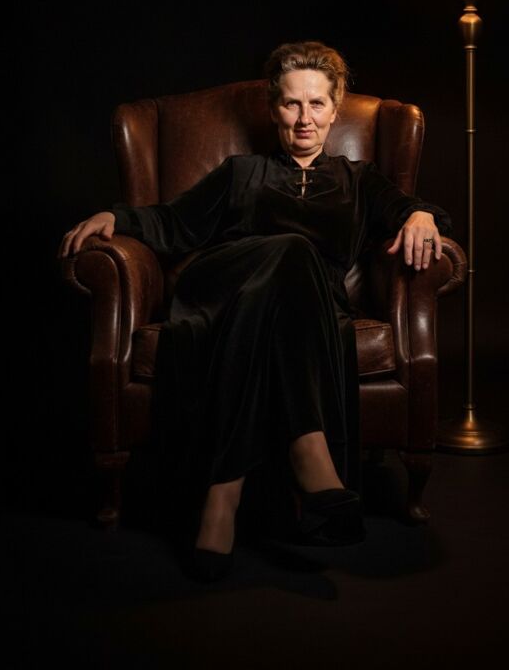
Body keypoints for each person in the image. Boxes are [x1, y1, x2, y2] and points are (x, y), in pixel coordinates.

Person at [59, 41, 451, 581]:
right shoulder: (241, 171)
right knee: (293, 249)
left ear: (335, 109)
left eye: (316, 104)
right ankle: (310, 456)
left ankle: (222, 496)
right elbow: (174, 223)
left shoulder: (360, 181)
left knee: (294, 267)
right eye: (291, 104)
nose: (304, 118)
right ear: (273, 109)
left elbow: (412, 209)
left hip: (301, 313)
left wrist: (421, 215)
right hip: (224, 284)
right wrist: (116, 217)